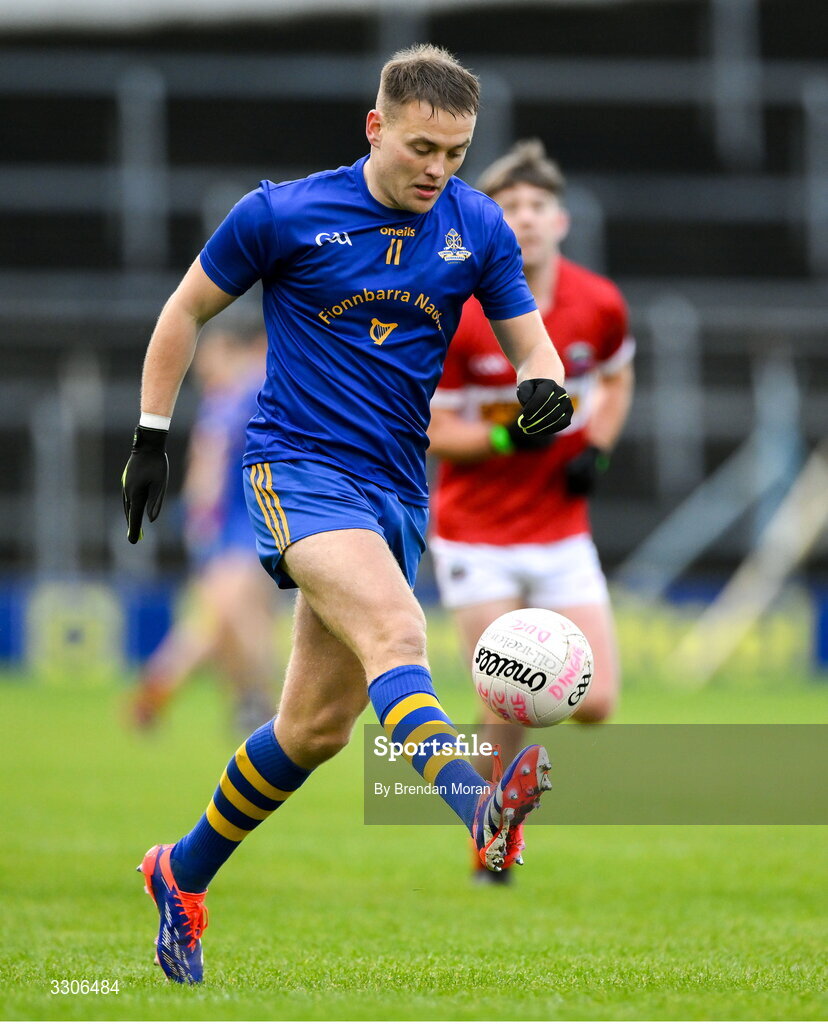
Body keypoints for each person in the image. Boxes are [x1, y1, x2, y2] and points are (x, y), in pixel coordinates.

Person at [121, 45, 574, 985]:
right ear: (377, 127)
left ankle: (182, 872)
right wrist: (152, 433)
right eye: (421, 147)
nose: (437, 169)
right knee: (397, 631)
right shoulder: (281, 213)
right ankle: (481, 815)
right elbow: (183, 311)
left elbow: (535, 346)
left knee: (314, 730)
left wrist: (545, 390)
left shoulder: (475, 226)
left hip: (397, 493)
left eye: (454, 152)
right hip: (297, 471)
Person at [426, 140, 635, 881]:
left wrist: (597, 448)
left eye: (537, 206)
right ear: (491, 221)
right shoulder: (463, 313)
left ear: (562, 219)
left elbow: (617, 377)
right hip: (475, 533)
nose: (525, 219)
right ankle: (493, 836)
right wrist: (511, 435)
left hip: (558, 531)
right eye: (509, 208)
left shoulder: (599, 302)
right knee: (510, 698)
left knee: (599, 700)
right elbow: (436, 430)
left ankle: (494, 811)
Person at [131, 325, 277, 734]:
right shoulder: (224, 399)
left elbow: (209, 460)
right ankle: (253, 704)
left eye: (210, 355)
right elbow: (205, 462)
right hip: (226, 521)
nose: (202, 366)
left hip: (249, 519)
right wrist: (198, 514)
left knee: (230, 613)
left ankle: (169, 687)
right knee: (232, 617)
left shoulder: (249, 388)